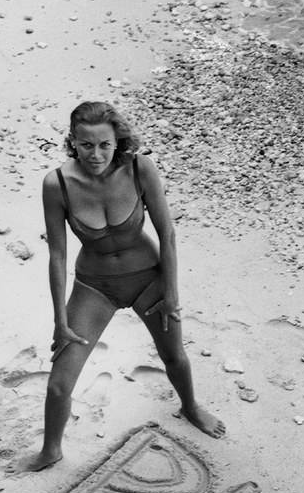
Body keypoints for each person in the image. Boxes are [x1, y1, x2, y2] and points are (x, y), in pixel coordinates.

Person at [24, 101, 224, 471]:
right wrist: (60, 321)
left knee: (174, 357)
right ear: (73, 142)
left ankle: (190, 406)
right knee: (58, 383)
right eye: (86, 145)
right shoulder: (57, 185)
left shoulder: (139, 169)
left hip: (148, 278)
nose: (95, 154)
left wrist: (172, 294)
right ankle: (50, 450)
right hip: (94, 288)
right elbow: (57, 256)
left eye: (104, 144)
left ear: (117, 141)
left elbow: (167, 233)